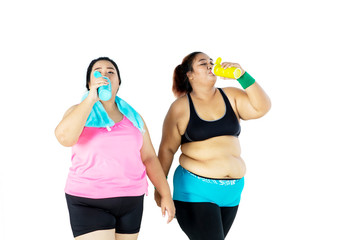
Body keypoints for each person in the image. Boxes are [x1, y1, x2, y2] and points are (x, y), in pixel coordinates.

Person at [55, 57, 175, 240]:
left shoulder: (134, 117)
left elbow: (149, 157)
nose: (104, 75)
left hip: (131, 200)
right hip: (89, 201)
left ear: (118, 82)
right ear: (89, 82)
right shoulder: (78, 111)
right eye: (98, 72)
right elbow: (64, 138)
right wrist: (90, 99)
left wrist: (165, 193)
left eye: (110, 72)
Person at [155, 52, 271, 240]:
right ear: (190, 74)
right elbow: (167, 150)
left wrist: (242, 75)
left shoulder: (231, 95)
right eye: (203, 63)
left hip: (232, 193)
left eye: (211, 61)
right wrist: (161, 189)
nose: (210, 65)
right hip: (195, 191)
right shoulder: (180, 107)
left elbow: (262, 107)